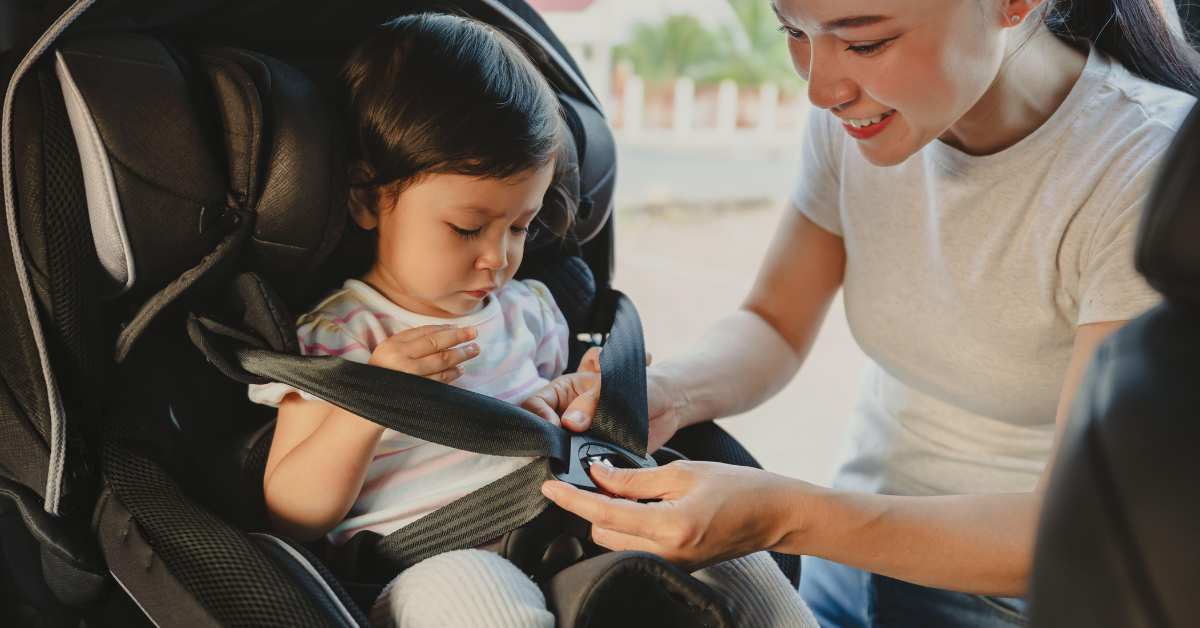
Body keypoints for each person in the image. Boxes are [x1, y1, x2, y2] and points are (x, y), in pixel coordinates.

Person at [530, 0, 1200, 626]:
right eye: (793, 32)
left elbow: (1066, 526)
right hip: (849, 559)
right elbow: (773, 325)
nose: (820, 90)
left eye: (865, 41)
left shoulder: (1145, 171)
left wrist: (785, 517)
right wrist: (666, 390)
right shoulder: (859, 120)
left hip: (1015, 599)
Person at [247, 13, 817, 628]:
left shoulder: (531, 310)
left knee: (737, 559)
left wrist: (577, 396)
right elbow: (293, 511)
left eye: (519, 226)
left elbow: (547, 413)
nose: (498, 257)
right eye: (467, 228)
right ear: (367, 199)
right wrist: (367, 404)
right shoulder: (343, 335)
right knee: (480, 597)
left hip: (568, 526)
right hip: (435, 561)